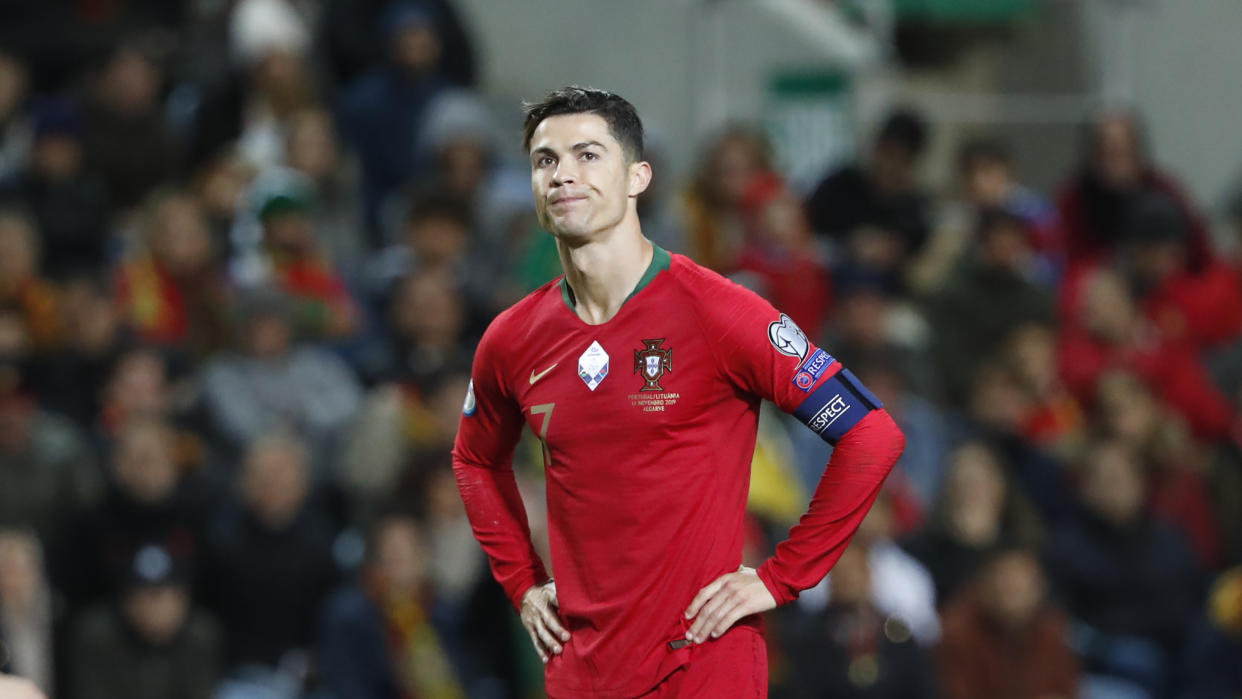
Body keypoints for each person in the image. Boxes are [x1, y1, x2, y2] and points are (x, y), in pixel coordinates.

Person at [451, 86, 905, 698]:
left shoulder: (721, 313)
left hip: (700, 670)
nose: (562, 175)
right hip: (582, 676)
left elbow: (871, 435)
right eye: (545, 160)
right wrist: (523, 584)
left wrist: (782, 577)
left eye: (587, 155)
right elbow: (475, 459)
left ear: (638, 177)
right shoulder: (512, 339)